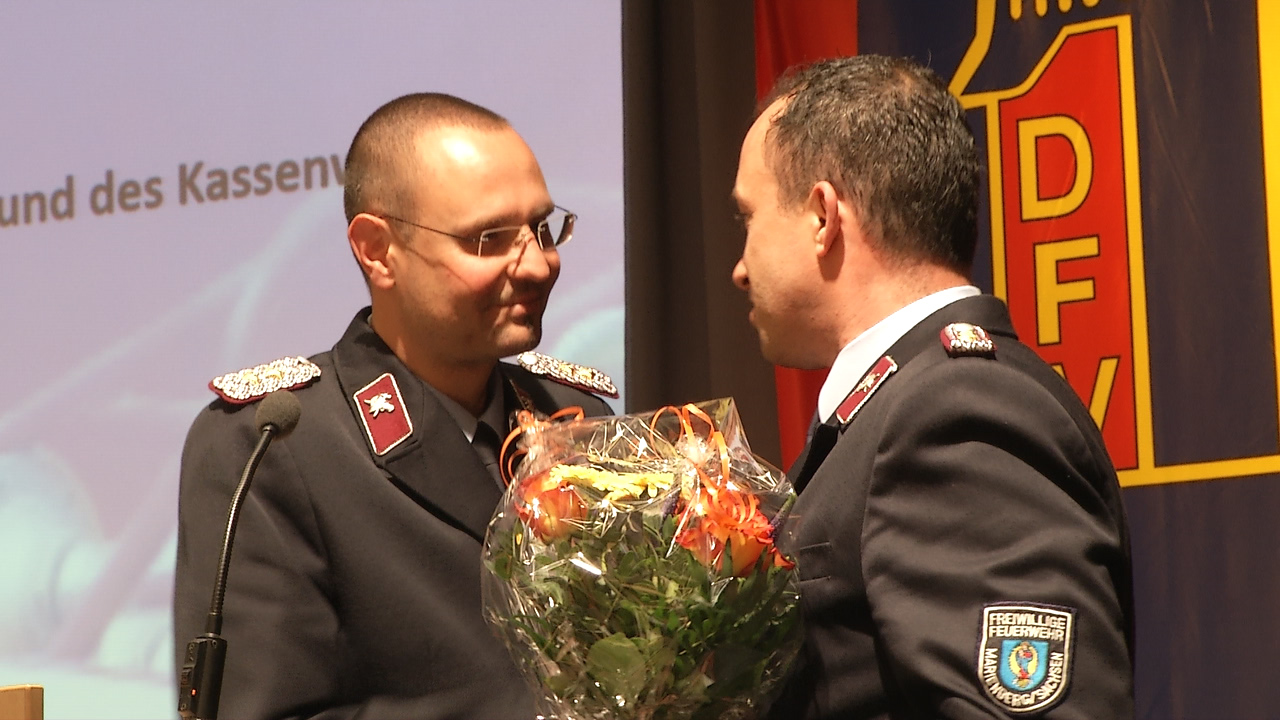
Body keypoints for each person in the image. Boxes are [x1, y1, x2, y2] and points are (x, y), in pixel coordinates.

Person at [173, 93, 615, 719]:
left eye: (543, 228)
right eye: (490, 239)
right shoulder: (273, 443)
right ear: (377, 249)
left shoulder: (576, 415)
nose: (539, 265)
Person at [731, 56, 1134, 718]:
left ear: (823, 216)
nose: (741, 268)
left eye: (748, 217)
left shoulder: (957, 413)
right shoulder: (895, 408)